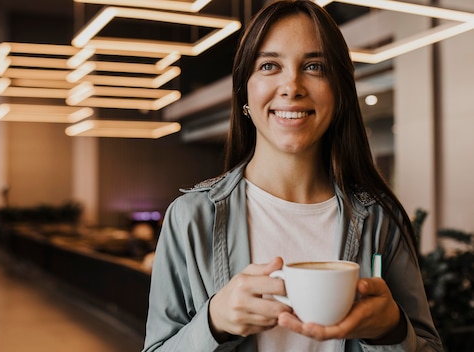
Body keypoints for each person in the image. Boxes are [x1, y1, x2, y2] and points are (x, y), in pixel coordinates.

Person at [142, 1, 442, 351]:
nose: (292, 85)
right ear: (245, 92)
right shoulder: (190, 218)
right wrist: (214, 321)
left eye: (314, 66)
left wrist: (392, 330)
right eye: (269, 65)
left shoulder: (380, 220)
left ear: (339, 92)